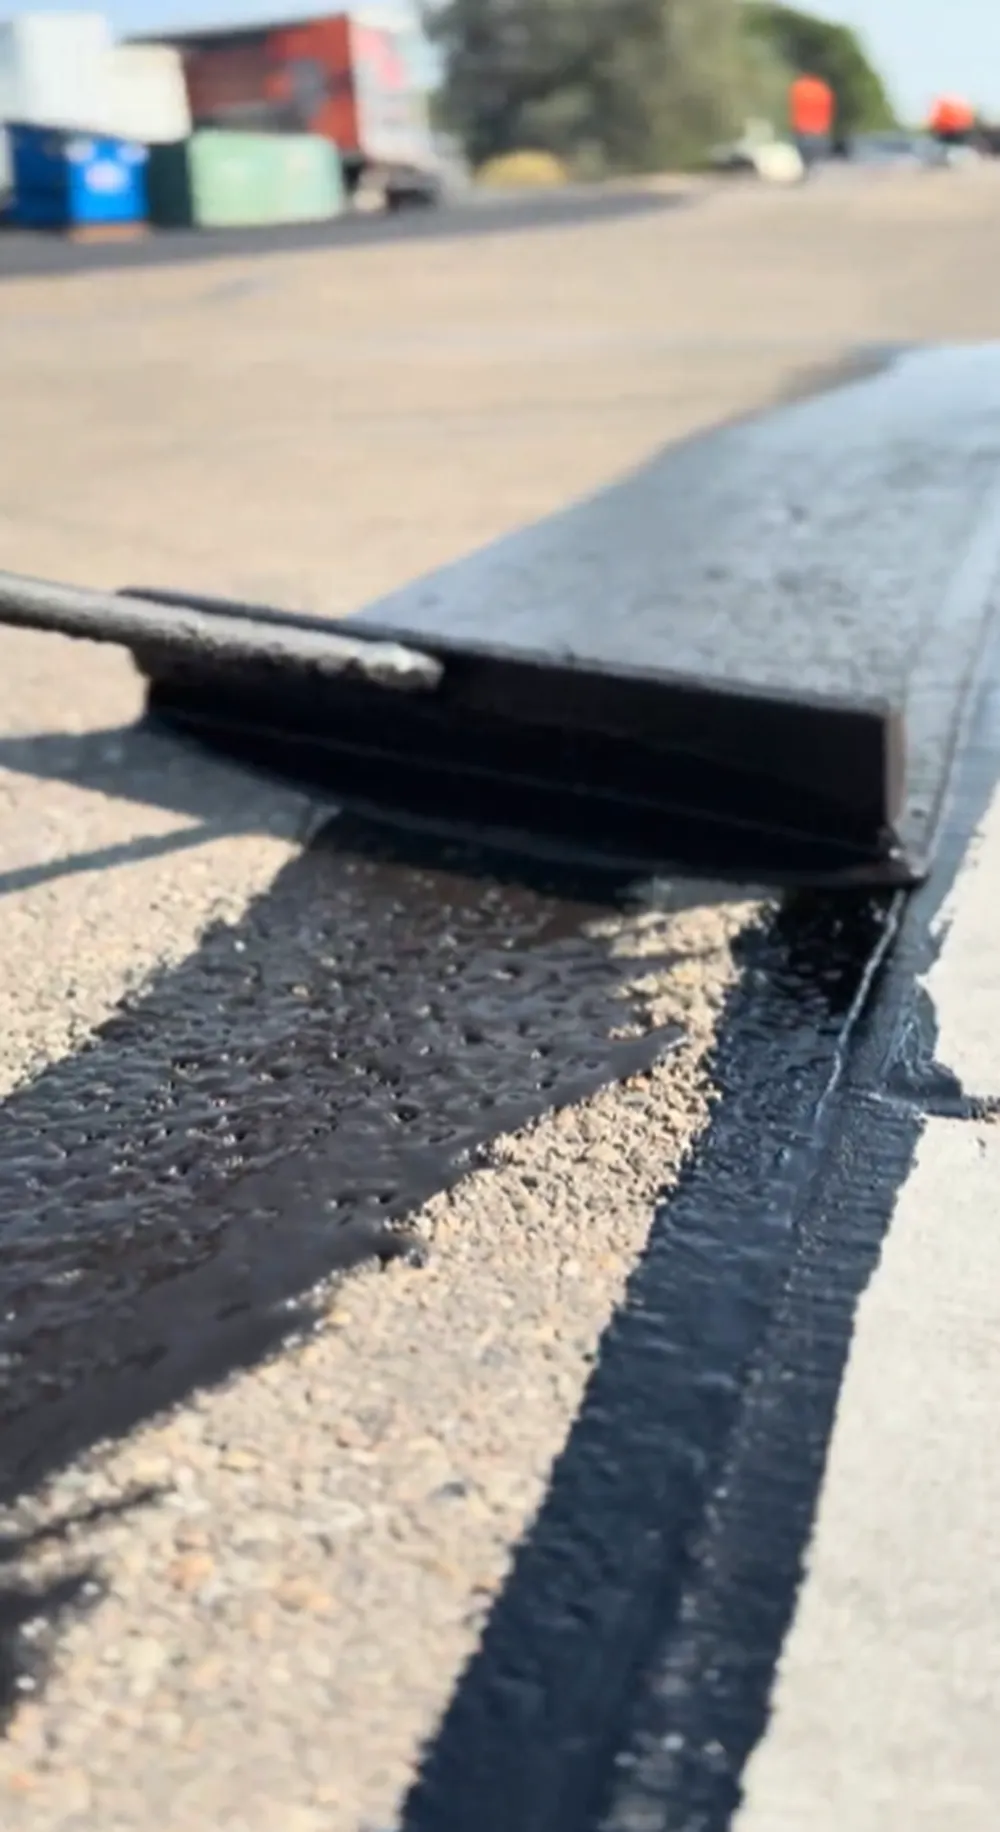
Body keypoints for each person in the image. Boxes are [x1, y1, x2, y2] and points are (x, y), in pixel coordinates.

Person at [789, 72, 835, 175]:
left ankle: (805, 173)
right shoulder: (823, 89)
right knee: (817, 162)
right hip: (820, 130)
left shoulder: (799, 87)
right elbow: (828, 109)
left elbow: (793, 107)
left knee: (805, 159)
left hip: (803, 129)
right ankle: (812, 174)